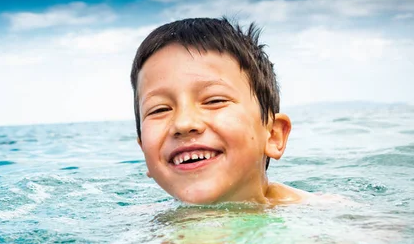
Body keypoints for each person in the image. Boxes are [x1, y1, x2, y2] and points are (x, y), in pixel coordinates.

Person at [130, 17, 309, 205]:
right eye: (159, 109)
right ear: (144, 149)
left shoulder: (320, 219)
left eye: (214, 100)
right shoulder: (136, 225)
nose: (183, 123)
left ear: (273, 135)